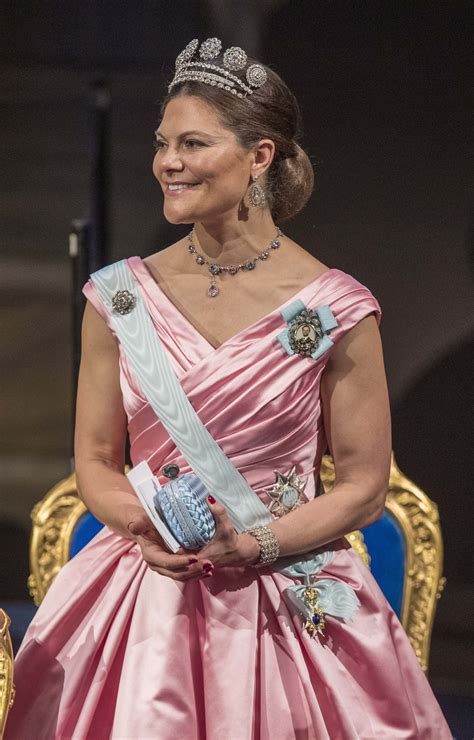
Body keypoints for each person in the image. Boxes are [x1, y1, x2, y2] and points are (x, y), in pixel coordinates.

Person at [7, 38, 451, 739]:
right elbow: (94, 458)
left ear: (260, 157)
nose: (168, 163)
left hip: (285, 598)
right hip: (148, 592)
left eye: (192, 143)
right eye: (161, 144)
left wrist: (253, 546)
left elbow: (363, 488)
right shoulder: (117, 299)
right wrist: (144, 526)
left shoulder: (338, 310)